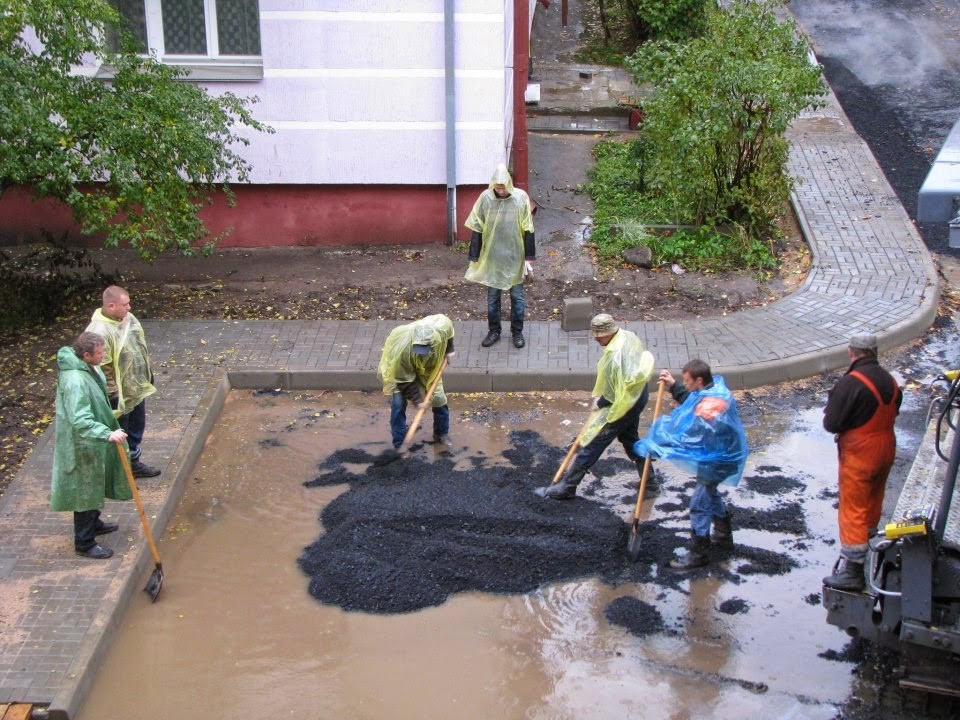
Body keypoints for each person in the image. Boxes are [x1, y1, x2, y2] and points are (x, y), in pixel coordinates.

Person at [634, 360, 749, 570]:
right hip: (715, 455)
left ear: (699, 380)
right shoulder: (708, 391)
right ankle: (723, 536)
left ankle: (699, 553)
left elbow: (691, 434)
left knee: (699, 502)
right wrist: (672, 384)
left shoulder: (714, 403)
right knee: (710, 494)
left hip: (719, 459)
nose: (684, 383)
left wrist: (660, 444)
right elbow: (691, 403)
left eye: (686, 380)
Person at [537, 314, 655, 499]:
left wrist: (599, 403)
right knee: (631, 439)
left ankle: (568, 486)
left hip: (625, 404)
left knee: (594, 441)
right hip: (637, 396)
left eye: (599, 335)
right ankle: (651, 484)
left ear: (609, 332)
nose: (596, 338)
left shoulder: (615, 356)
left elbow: (613, 394)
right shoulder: (627, 335)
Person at [822, 333, 901, 591]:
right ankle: (869, 542)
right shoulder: (890, 381)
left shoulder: (851, 383)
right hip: (886, 447)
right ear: (875, 351)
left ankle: (853, 570)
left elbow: (831, 423)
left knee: (853, 507)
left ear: (851, 352)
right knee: (874, 499)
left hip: (861, 454)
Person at [51, 332, 131, 559]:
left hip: (92, 440)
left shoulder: (86, 368)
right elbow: (80, 419)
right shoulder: (76, 380)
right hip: (82, 443)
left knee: (95, 480)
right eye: (100, 353)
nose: (104, 355)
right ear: (86, 355)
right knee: (85, 489)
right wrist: (106, 433)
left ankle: (94, 523)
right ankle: (84, 542)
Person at [86, 285, 160, 478]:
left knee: (136, 426)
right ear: (111, 306)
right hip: (117, 393)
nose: (129, 308)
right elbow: (101, 366)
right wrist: (113, 393)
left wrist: (146, 372)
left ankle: (133, 463)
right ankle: (120, 472)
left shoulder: (126, 319)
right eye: (125, 305)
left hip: (134, 385)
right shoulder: (100, 331)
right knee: (121, 431)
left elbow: (138, 345)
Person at [464, 163, 536, 349]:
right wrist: (475, 253)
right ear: (493, 184)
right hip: (493, 256)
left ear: (509, 184)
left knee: (517, 297)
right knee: (493, 296)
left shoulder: (520, 198)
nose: (501, 190)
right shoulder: (486, 199)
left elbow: (528, 227)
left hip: (514, 255)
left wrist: (528, 257)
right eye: (498, 186)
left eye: (503, 186)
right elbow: (478, 227)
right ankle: (494, 330)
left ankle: (517, 332)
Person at [377, 314, 456, 449]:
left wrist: (449, 350)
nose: (420, 353)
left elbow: (449, 334)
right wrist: (418, 401)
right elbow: (404, 381)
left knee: (439, 399)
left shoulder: (442, 325)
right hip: (401, 371)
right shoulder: (403, 351)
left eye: (424, 350)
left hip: (429, 370)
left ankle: (441, 433)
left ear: (434, 343)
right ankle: (400, 443)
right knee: (398, 403)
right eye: (418, 349)